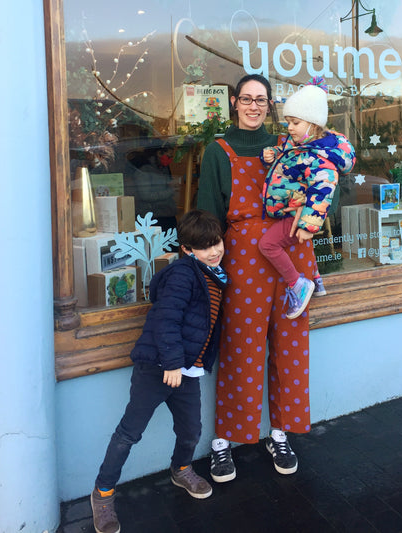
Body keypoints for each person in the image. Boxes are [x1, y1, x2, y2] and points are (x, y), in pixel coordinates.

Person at [197, 73, 313, 483]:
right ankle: (225, 439)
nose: (253, 105)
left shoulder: (289, 147)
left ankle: (280, 431)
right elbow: (207, 213)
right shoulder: (218, 151)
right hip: (244, 258)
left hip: (289, 254)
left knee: (290, 344)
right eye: (246, 98)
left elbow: (316, 190)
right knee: (241, 346)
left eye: (260, 99)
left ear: (269, 105)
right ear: (233, 102)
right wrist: (205, 267)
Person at [90, 209, 227, 533]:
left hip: (186, 371)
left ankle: (181, 469)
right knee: (129, 433)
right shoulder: (183, 275)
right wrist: (171, 363)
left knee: (191, 428)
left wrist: (189, 364)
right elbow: (166, 321)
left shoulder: (216, 274)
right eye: (205, 246)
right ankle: (103, 494)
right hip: (158, 368)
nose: (215, 250)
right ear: (188, 250)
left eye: (217, 242)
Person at [259, 77, 356, 319]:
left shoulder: (321, 159)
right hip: (290, 208)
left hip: (294, 213)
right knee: (301, 247)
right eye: (288, 122)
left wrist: (308, 224)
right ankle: (316, 279)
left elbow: (322, 190)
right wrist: (272, 155)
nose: (289, 127)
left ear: (313, 125)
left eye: (295, 122)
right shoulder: (300, 143)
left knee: (268, 245)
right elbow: (290, 156)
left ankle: (297, 285)